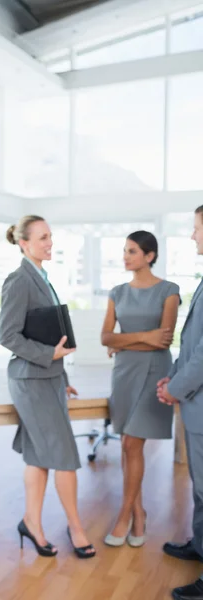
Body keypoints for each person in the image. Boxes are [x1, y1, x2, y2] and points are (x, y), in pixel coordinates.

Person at [0, 215, 95, 559]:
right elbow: (7, 335)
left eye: (50, 236)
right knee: (65, 458)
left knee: (39, 457)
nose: (49, 243)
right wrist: (48, 355)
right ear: (23, 243)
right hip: (30, 380)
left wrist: (63, 377)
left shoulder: (42, 277)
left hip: (48, 378)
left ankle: (32, 522)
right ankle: (76, 528)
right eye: (42, 238)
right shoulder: (19, 280)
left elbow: (50, 332)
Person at [101, 231, 180, 548]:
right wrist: (146, 337)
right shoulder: (117, 291)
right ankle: (139, 512)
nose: (125, 256)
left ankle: (124, 516)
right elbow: (106, 337)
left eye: (132, 251)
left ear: (149, 255)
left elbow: (166, 336)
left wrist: (129, 339)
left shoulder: (169, 290)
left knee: (133, 444)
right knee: (126, 445)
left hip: (153, 372)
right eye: (124, 250)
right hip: (124, 373)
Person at [158, 207, 203, 600]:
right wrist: (173, 377)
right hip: (194, 402)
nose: (193, 236)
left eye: (196, 229)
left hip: (200, 403)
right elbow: (189, 345)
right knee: (201, 488)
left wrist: (175, 388)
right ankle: (200, 546)